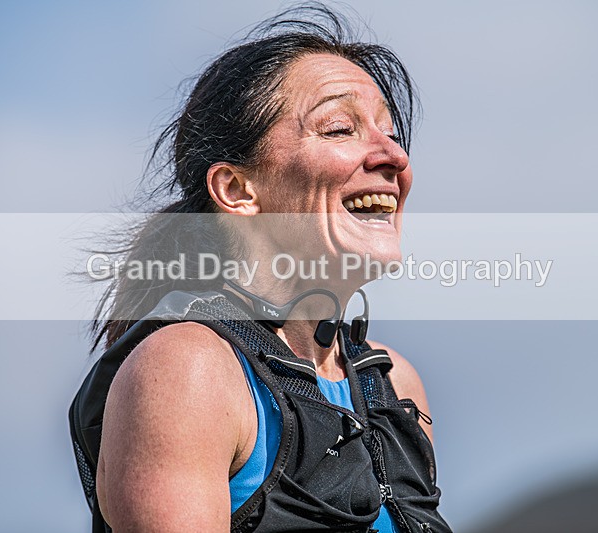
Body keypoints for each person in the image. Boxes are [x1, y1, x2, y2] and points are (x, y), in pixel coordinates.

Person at [69, 4, 453, 532]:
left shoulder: (391, 382)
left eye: (390, 133)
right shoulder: (189, 370)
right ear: (236, 190)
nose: (394, 157)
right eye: (340, 128)